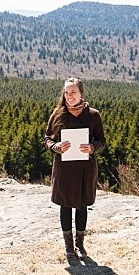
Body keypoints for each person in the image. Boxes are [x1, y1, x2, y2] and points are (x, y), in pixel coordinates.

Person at [44, 77, 107, 261]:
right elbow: (47, 138)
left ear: (81, 93)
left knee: (82, 205)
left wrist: (92, 147)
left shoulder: (93, 115)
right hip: (64, 168)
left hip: (85, 168)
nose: (69, 96)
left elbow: (102, 140)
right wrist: (56, 147)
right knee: (65, 205)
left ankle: (80, 245)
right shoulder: (58, 113)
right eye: (66, 92)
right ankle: (68, 246)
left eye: (73, 92)